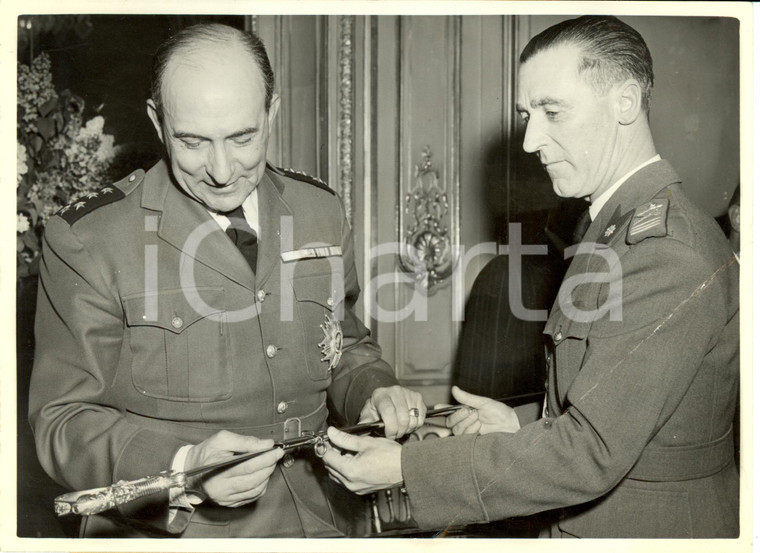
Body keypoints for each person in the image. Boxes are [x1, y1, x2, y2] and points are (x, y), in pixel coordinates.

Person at [324, 16, 739, 538]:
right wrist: (520, 425)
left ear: (625, 103)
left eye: (552, 112)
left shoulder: (664, 250)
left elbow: (592, 452)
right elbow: (617, 409)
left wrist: (405, 469)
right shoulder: (612, 227)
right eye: (526, 113)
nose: (528, 140)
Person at [29, 23, 426, 538]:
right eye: (193, 142)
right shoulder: (91, 238)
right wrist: (185, 467)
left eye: (243, 138)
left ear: (272, 113)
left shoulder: (318, 210)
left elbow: (342, 340)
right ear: (157, 121)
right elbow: (62, 419)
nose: (221, 170)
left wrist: (373, 390)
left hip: (325, 520)